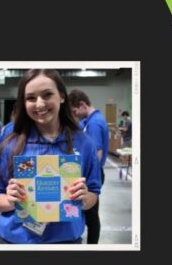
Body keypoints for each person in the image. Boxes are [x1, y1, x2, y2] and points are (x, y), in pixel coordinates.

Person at [0, 69, 101, 244]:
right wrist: (10, 200)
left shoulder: (84, 143)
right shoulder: (10, 141)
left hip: (65, 242)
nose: (39, 104)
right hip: (17, 242)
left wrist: (84, 199)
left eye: (47, 95)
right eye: (31, 98)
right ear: (23, 103)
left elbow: (93, 193)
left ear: (61, 96)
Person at [68, 90, 110, 244]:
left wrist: (88, 176)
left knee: (91, 216)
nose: (75, 115)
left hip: (93, 174)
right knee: (90, 214)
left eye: (75, 111)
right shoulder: (91, 120)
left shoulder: (94, 123)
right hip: (93, 173)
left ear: (82, 105)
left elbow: (96, 153)